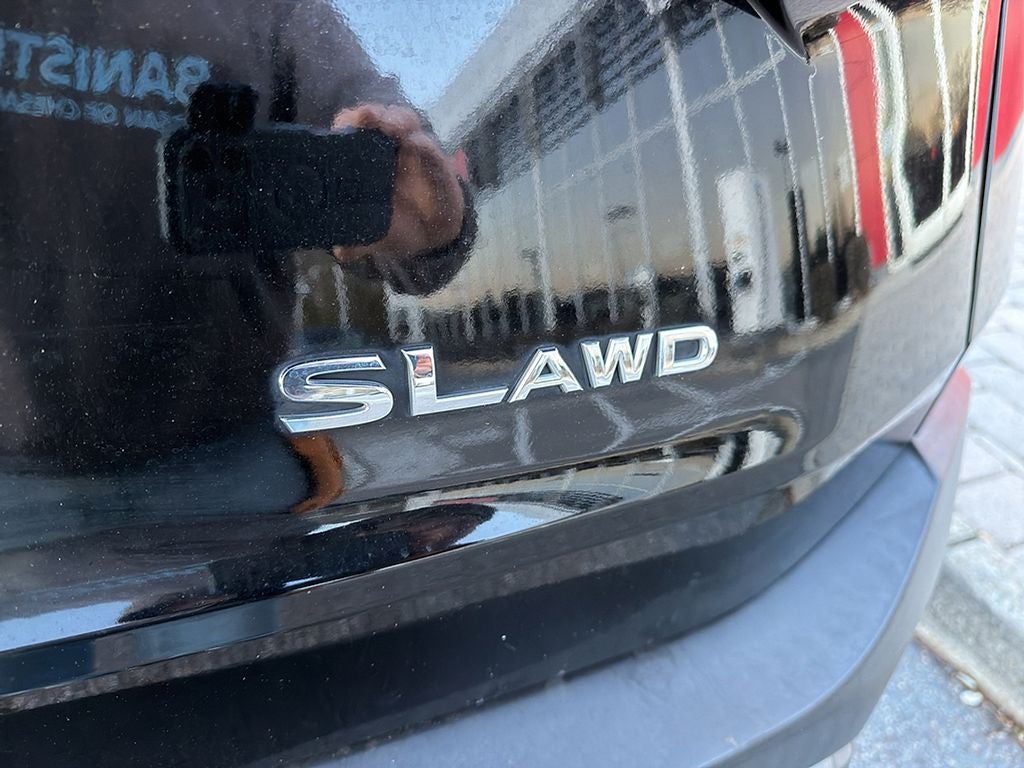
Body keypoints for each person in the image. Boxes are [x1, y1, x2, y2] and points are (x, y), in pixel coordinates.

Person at [0, 0, 474, 512]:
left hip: (229, 460)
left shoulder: (275, 11)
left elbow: (408, 199)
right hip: (25, 475)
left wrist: (428, 220)